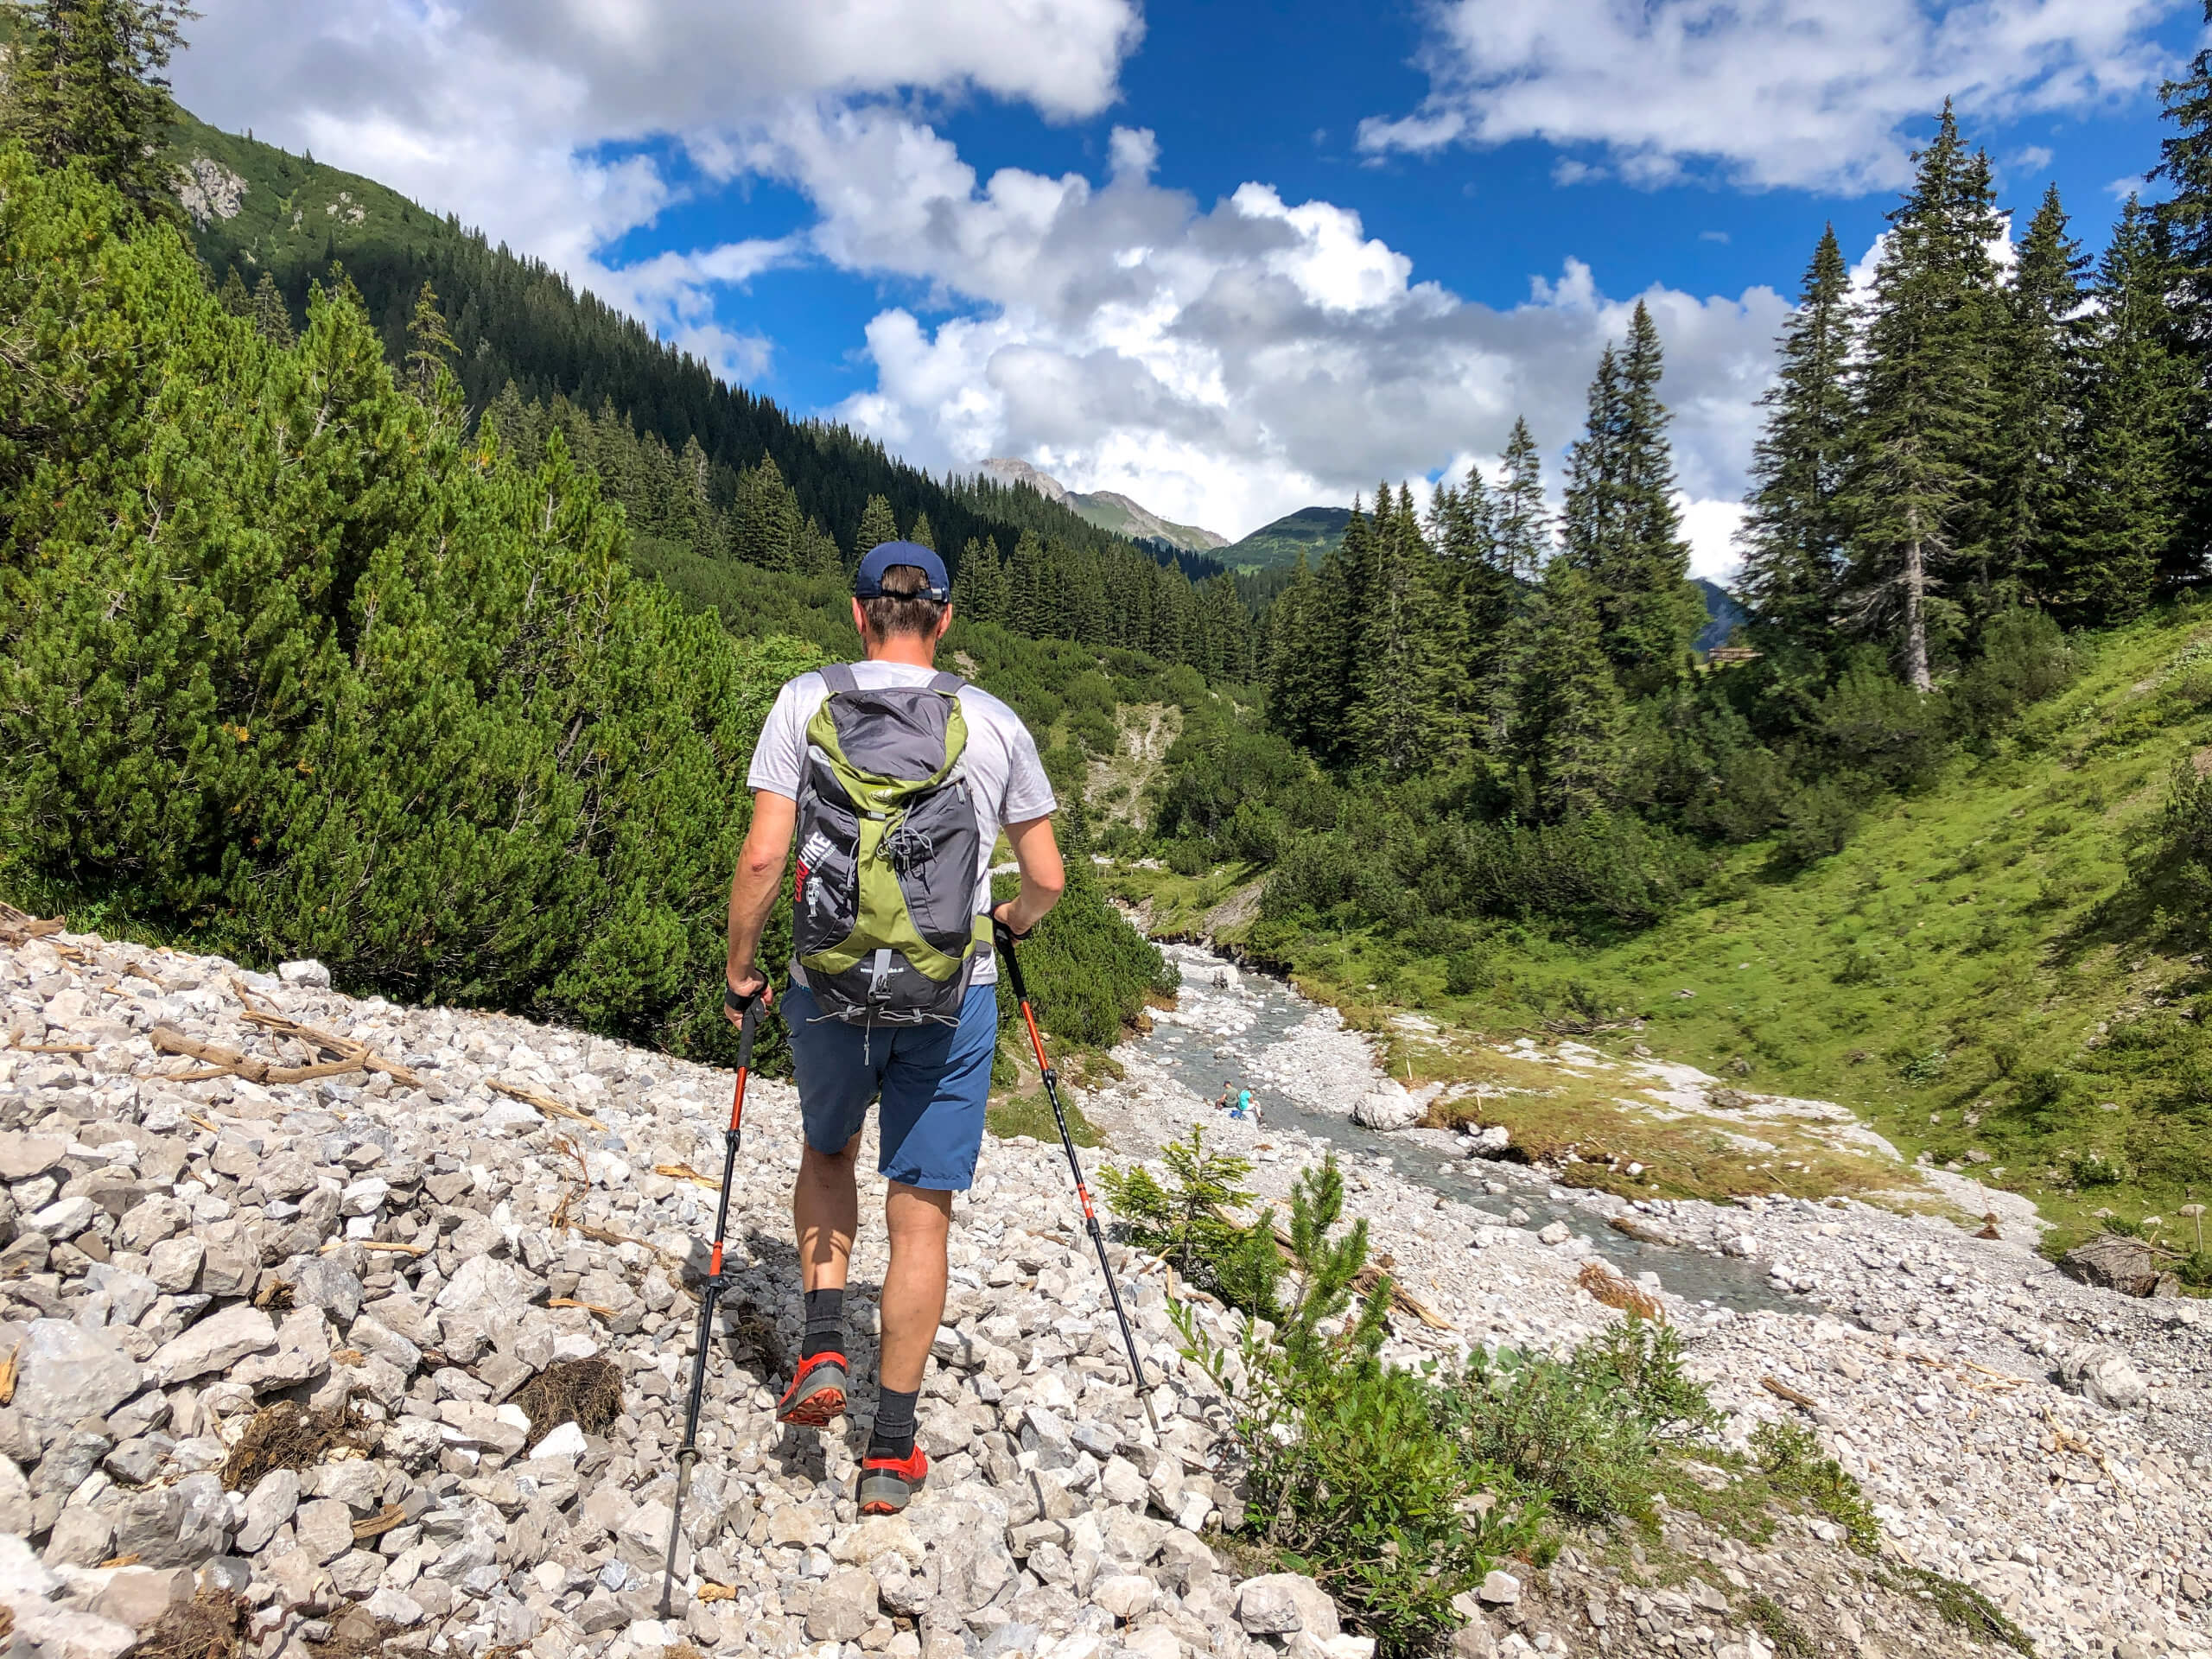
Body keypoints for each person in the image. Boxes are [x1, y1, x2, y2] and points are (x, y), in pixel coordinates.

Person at [722, 541, 1065, 1515]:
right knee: (921, 1214)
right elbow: (1046, 878)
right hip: (951, 996)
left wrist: (741, 967)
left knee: (827, 1152)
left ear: (859, 612)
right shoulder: (994, 721)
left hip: (824, 983)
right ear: (944, 618)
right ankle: (889, 1451)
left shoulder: (803, 702)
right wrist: (1010, 924)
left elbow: (761, 858)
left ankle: (824, 1345)